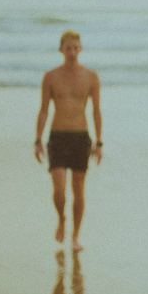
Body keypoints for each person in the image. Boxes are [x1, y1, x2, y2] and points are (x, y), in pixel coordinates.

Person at [34, 30, 102, 252]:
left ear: (80, 49)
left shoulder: (91, 77)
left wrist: (99, 142)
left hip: (80, 137)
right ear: (61, 50)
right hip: (58, 137)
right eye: (68, 47)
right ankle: (62, 219)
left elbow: (96, 112)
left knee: (79, 188)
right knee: (60, 189)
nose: (72, 52)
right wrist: (38, 139)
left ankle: (75, 236)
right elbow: (43, 110)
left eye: (76, 47)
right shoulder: (51, 77)